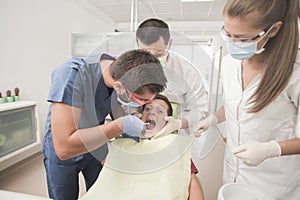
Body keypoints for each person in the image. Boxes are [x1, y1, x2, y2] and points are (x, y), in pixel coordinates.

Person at [194, 0, 300, 199]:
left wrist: (272, 149)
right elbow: (238, 104)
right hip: (234, 175)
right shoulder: (228, 63)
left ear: (273, 30)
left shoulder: (295, 73)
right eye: (227, 34)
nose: (232, 44)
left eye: (242, 39)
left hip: (275, 184)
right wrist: (214, 119)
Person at [42, 49, 174, 200]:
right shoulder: (71, 75)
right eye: (142, 100)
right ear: (119, 87)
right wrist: (120, 125)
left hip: (95, 147)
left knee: (102, 192)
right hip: (65, 152)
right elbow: (64, 148)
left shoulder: (120, 68)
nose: (145, 105)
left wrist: (136, 130)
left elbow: (114, 106)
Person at [80, 94, 204, 200]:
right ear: (140, 116)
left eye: (160, 111)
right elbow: (107, 180)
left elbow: (192, 184)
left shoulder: (175, 145)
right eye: (147, 109)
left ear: (167, 121)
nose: (152, 112)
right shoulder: (123, 145)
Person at [136, 18, 209, 135]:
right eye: (146, 54)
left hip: (177, 135)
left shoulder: (187, 72)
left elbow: (200, 109)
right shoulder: (132, 70)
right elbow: (125, 102)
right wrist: (135, 116)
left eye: (159, 54)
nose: (152, 60)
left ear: (169, 44)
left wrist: (179, 123)